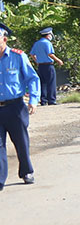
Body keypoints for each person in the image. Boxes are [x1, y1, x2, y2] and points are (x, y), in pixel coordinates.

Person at [0, 22, 40, 189]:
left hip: (15, 107)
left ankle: (26, 171)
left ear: (4, 39)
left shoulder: (18, 56)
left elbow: (32, 78)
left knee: (21, 142)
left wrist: (33, 100)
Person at [27, 27, 63, 106]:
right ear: (48, 35)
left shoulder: (37, 43)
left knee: (42, 83)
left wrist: (37, 61)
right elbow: (50, 54)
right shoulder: (47, 43)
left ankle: (43, 100)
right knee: (51, 83)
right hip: (48, 65)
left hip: (40, 66)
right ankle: (51, 100)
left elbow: (32, 54)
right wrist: (58, 60)